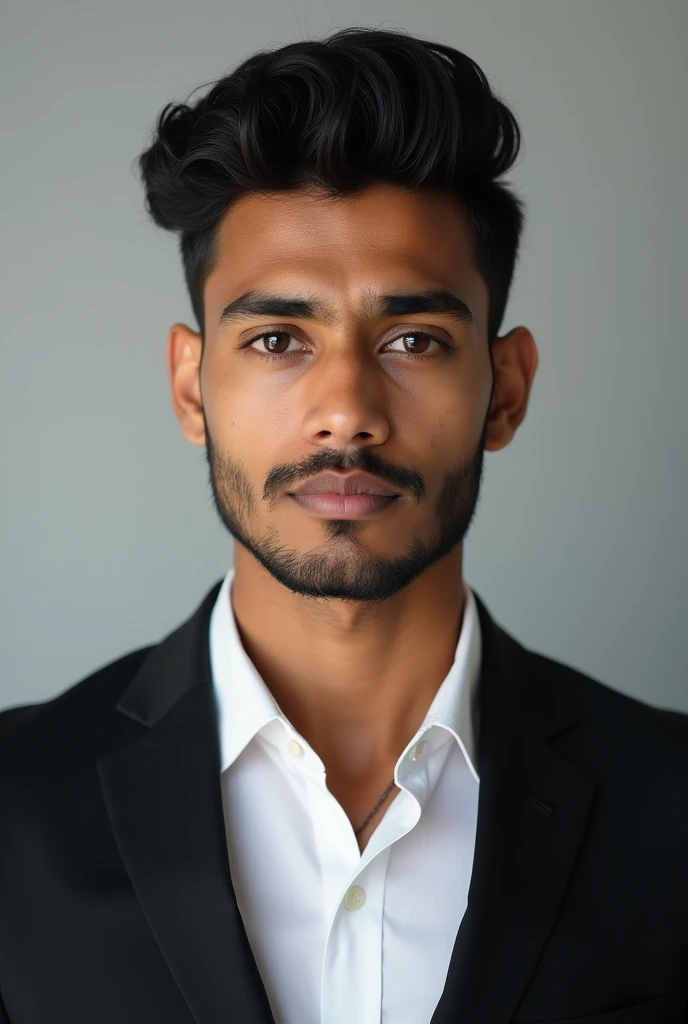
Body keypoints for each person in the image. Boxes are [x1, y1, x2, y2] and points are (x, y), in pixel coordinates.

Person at [1, 25, 686, 1024]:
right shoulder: (14, 810)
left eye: (413, 338)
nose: (346, 409)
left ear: (505, 389)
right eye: (278, 338)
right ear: (192, 388)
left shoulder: (669, 809)